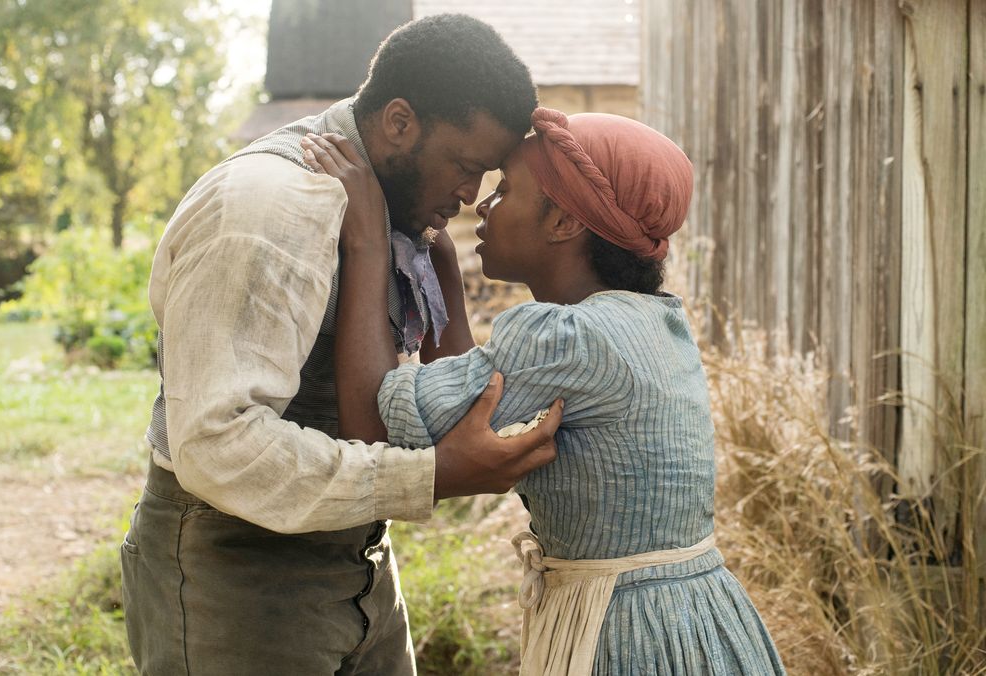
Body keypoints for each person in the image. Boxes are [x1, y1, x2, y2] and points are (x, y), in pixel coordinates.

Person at [121, 14, 564, 676]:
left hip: (358, 565)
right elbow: (216, 443)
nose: (471, 196)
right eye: (467, 167)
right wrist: (431, 475)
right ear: (398, 122)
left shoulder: (393, 204)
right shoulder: (269, 207)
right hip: (236, 579)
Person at [302, 108, 786, 674]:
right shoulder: (652, 321)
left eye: (505, 189)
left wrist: (365, 245)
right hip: (696, 621)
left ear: (563, 223)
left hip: (621, 636)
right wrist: (442, 263)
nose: (482, 205)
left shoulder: (565, 337)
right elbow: (467, 404)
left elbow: (375, 426)